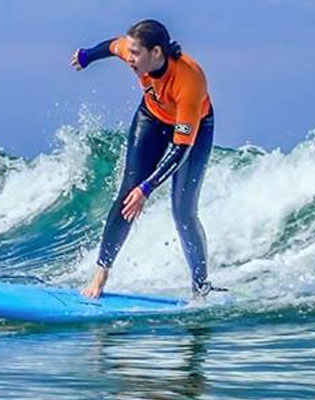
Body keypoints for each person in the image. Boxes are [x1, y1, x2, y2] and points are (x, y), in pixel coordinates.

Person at [71, 20, 222, 299]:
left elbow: (180, 150)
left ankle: (201, 286)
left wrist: (147, 188)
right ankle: (101, 273)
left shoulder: (189, 80)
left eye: (136, 53)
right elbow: (111, 46)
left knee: (183, 211)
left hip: (195, 129)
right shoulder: (132, 51)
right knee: (127, 193)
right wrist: (87, 55)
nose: (130, 58)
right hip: (152, 116)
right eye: (129, 52)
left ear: (156, 52)